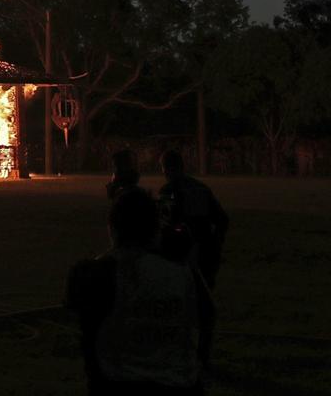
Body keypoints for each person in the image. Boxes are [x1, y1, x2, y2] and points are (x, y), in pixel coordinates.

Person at [66, 187, 213, 395]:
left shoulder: (94, 274)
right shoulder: (181, 273)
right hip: (179, 385)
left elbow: (80, 320)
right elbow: (206, 314)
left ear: (112, 229)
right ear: (155, 230)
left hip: (118, 384)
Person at [158, 150, 230, 289]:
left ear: (165, 169)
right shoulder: (201, 188)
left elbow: (166, 223)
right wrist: (216, 243)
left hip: (182, 255)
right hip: (205, 251)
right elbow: (222, 219)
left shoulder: (168, 191)